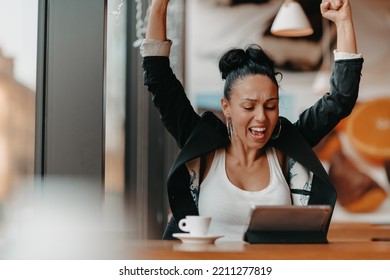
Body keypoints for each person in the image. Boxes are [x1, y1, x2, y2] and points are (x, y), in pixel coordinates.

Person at [140, 0, 363, 241]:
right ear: (226, 107)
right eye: (249, 106)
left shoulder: (287, 145)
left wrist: (343, 22)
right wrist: (159, 6)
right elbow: (160, 81)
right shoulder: (202, 145)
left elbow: (340, 98)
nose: (261, 118)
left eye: (271, 106)